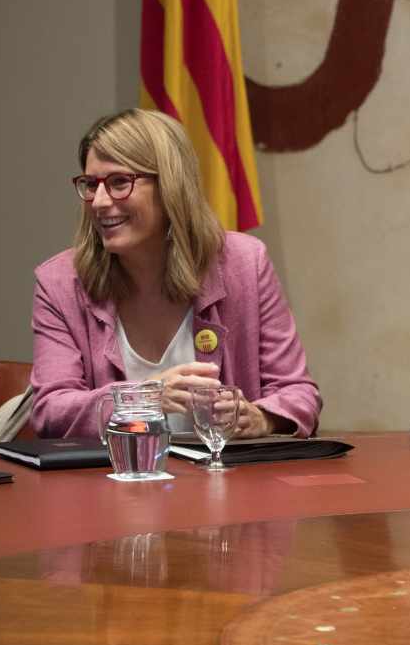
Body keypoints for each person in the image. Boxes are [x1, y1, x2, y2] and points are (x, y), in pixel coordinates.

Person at [30, 109, 321, 439]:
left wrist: (263, 419)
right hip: (113, 484)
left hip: (229, 483)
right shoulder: (60, 283)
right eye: (90, 184)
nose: (98, 201)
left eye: (119, 183)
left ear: (170, 186)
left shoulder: (245, 264)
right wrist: (145, 397)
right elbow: (50, 410)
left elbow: (300, 394)